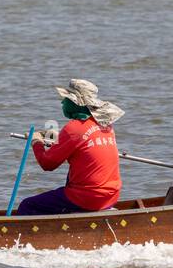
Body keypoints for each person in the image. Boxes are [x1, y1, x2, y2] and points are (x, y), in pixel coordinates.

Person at [16, 79, 124, 215]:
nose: (62, 102)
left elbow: (47, 164)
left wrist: (36, 141)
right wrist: (58, 137)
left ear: (75, 102)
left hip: (88, 197)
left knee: (28, 205)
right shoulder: (105, 125)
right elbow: (84, 145)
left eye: (66, 99)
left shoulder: (73, 128)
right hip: (111, 195)